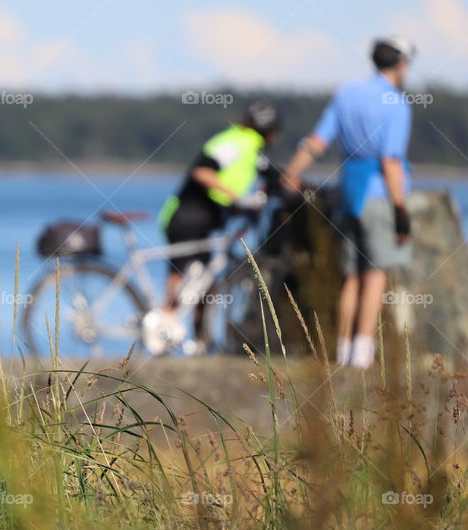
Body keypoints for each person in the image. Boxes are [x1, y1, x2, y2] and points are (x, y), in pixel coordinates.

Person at [282, 36, 415, 370]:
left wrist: (292, 172)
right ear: (401, 65)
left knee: (352, 275)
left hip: (349, 195)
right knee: (375, 274)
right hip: (379, 195)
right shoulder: (396, 102)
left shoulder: (347, 94)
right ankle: (363, 352)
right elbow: (391, 161)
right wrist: (401, 211)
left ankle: (342, 347)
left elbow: (316, 141)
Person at [156, 99, 281, 350]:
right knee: (182, 277)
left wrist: (240, 207)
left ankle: (201, 343)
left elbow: (269, 178)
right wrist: (238, 199)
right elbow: (202, 172)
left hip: (202, 220)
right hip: (187, 216)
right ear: (271, 132)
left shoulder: (248, 145)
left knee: (203, 281)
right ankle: (162, 329)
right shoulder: (236, 142)